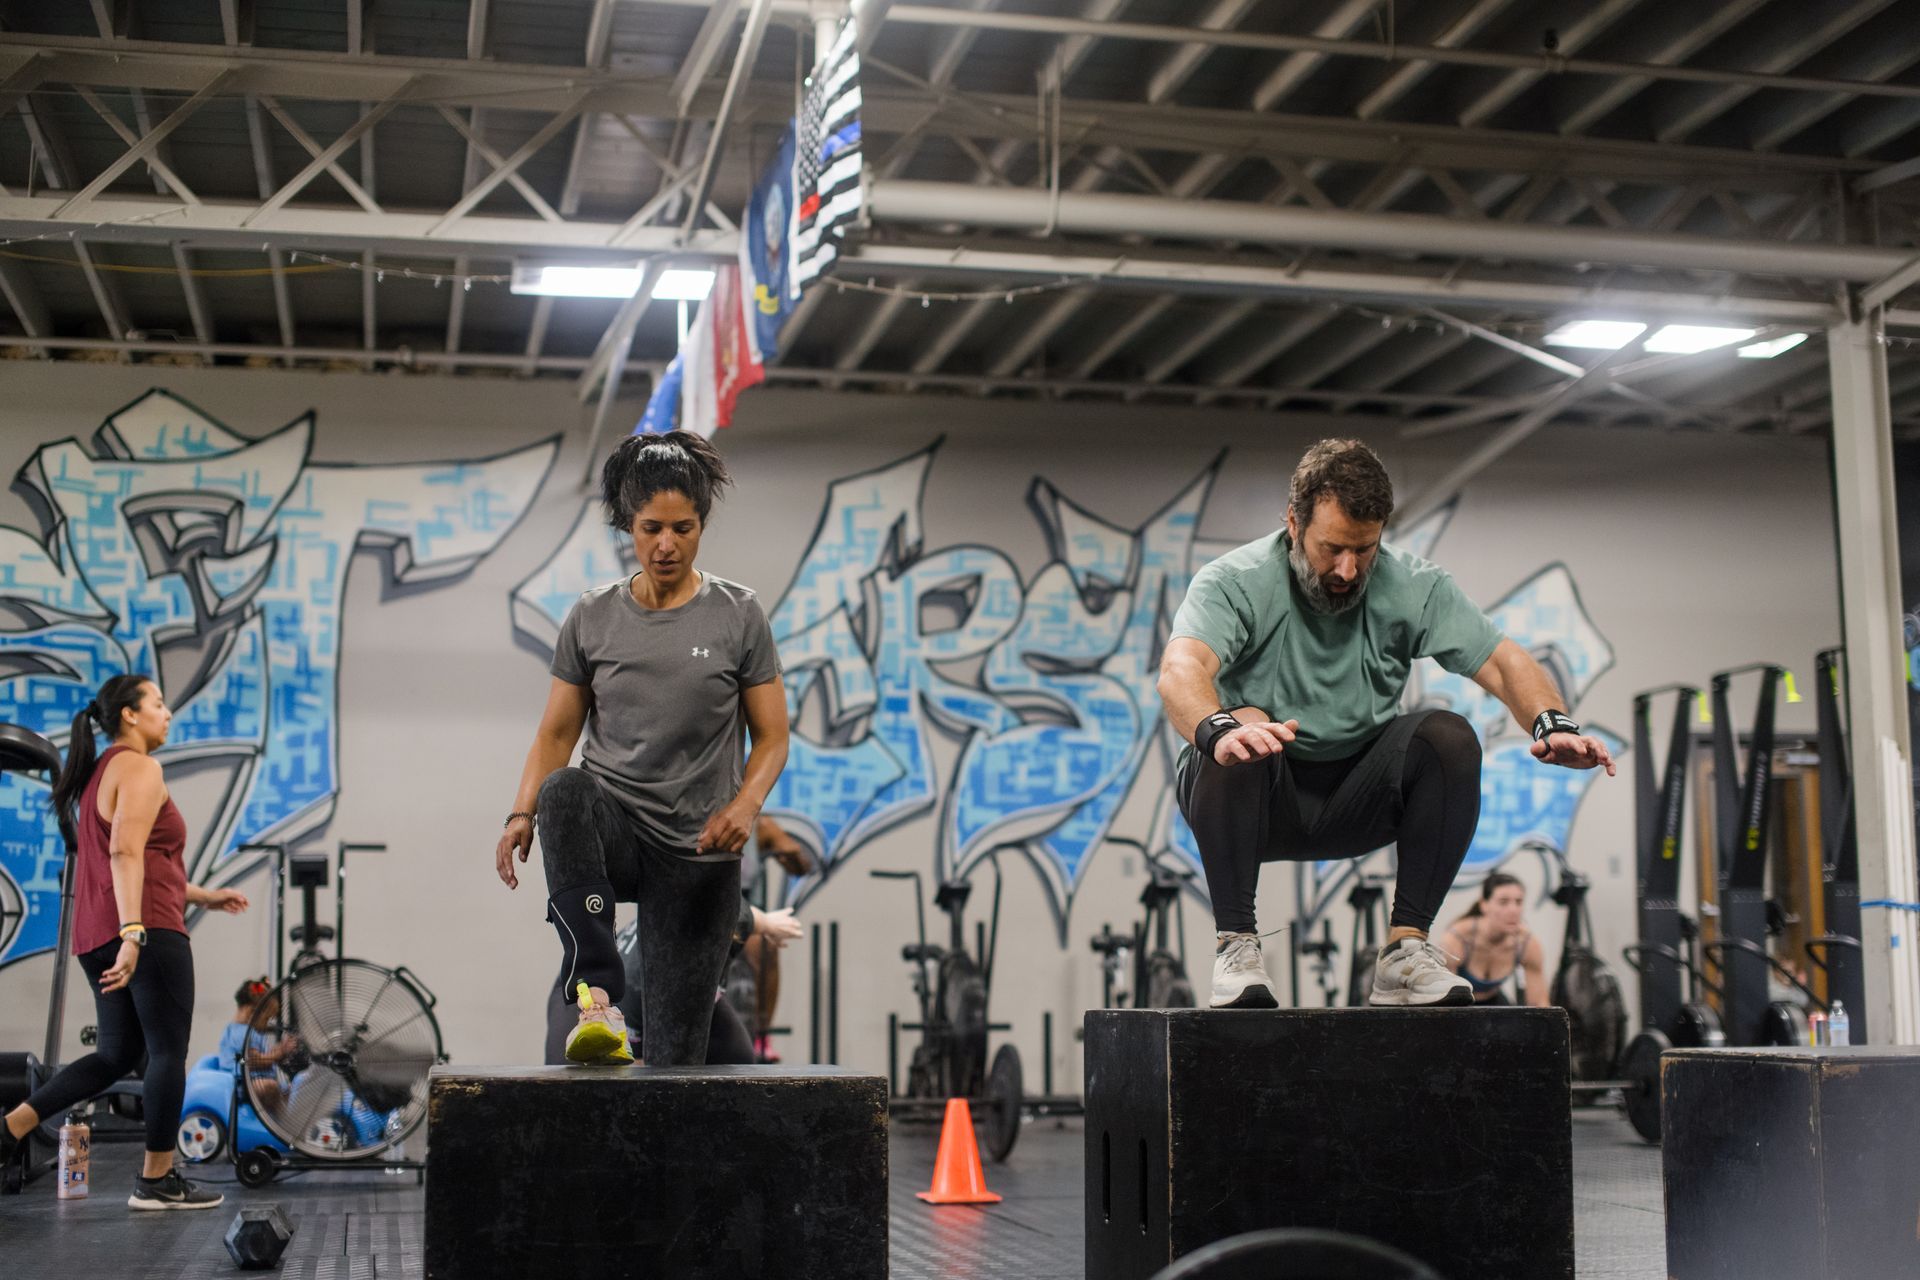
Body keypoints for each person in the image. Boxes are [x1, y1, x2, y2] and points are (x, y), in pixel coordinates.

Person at [1157, 439, 1615, 1010]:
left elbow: (1502, 661)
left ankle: (1405, 952)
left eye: (1364, 550)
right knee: (1244, 726)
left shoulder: (1414, 586)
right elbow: (1181, 669)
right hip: (1257, 800)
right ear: (1293, 523)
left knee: (1448, 737)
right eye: (1331, 549)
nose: (1347, 570)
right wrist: (1219, 729)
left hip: (1359, 799)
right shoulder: (1235, 580)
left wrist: (1552, 722)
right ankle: (1237, 948)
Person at [496, 430, 790, 1066]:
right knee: (563, 791)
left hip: (699, 850)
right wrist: (521, 813)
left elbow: (772, 736)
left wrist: (745, 807)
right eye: (651, 528)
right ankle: (597, 998)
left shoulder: (739, 615)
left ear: (701, 524)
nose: (666, 545)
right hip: (618, 833)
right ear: (628, 525)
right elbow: (555, 735)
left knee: (676, 1062)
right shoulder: (592, 617)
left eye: (683, 529)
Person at [0, 675, 250, 1209]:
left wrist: (202, 896)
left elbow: (143, 859)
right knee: (166, 1052)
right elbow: (125, 854)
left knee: (116, 1055)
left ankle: (10, 1128)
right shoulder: (140, 768)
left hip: (96, 934)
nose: (168, 712)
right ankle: (157, 1180)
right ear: (130, 715)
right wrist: (134, 934)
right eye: (158, 702)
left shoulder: (98, 774)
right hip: (145, 930)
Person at [541, 898, 805, 1066]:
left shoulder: (728, 921)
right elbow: (635, 1071)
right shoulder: (637, 985)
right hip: (591, 995)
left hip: (682, 987)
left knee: (738, 1057)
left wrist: (770, 924)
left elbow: (747, 916)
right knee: (581, 1077)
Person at [740, 815, 815, 1061]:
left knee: (766, 945)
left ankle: (762, 1035)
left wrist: (790, 852)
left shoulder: (760, 827)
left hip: (745, 912)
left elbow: (802, 868)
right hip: (709, 910)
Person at [1441, 873, 1548, 1006]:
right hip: (1459, 1004)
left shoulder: (1526, 943)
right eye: (1503, 902)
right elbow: (1444, 1000)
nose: (1513, 910)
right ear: (1484, 905)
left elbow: (1539, 1003)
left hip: (1494, 1000)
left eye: (1518, 902)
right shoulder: (1458, 938)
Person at [218, 978, 300, 1111]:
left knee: (295, 1087)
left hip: (257, 1080)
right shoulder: (240, 1033)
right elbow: (252, 1060)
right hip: (242, 1084)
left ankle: (286, 1114)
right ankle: (281, 1119)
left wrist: (280, 1048)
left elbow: (263, 1055)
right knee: (270, 1087)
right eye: (267, 1018)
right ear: (251, 1011)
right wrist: (281, 1052)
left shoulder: (252, 1032)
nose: (268, 1023)